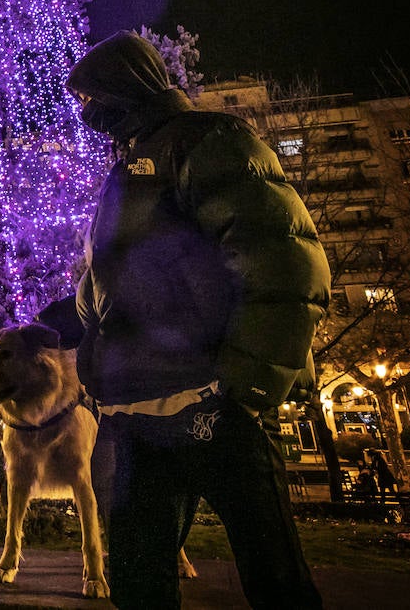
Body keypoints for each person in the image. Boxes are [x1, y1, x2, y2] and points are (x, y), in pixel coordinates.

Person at [61, 31, 328, 609]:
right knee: (138, 582)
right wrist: (80, 336)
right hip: (139, 412)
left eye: (91, 98)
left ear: (126, 86)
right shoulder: (126, 170)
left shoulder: (210, 140)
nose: (85, 113)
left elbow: (282, 260)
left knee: (274, 578)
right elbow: (110, 291)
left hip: (214, 406)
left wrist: (247, 383)